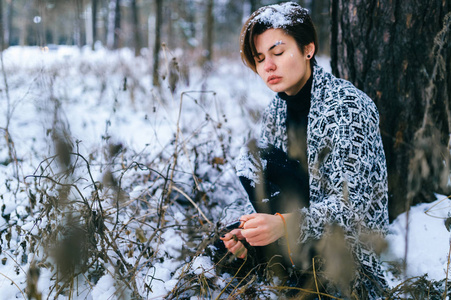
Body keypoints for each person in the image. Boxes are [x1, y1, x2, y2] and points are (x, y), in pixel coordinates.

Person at [219, 2, 389, 298]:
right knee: (253, 158)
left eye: (278, 52)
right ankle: (264, 255)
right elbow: (271, 186)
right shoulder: (276, 109)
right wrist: (250, 230)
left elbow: (352, 210)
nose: (268, 66)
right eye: (260, 59)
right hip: (297, 236)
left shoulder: (347, 107)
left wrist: (283, 225)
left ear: (308, 49)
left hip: (347, 254)